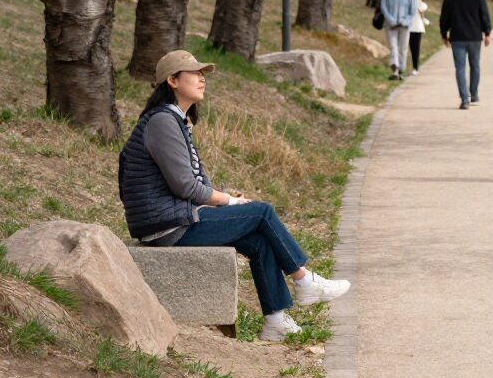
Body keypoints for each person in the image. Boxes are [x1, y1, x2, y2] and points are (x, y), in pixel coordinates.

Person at [118, 50, 350, 342]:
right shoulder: (163, 121)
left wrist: (225, 198)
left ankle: (275, 321)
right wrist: (229, 202)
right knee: (261, 212)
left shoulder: (177, 121)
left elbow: (197, 180)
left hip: (173, 218)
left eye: (203, 73)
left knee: (257, 240)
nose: (202, 78)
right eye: (194, 73)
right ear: (172, 81)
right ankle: (304, 281)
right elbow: (185, 187)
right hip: (167, 226)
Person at [440, 0, 492, 109]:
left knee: (460, 68)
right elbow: (484, 15)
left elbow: (445, 17)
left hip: (457, 36)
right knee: (475, 66)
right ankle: (474, 94)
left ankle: (464, 99)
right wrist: (487, 33)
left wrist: (444, 34)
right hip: (475, 36)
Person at [376, 0, 416, 78]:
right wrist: (391, 20)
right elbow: (384, 8)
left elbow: (412, 11)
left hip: (404, 26)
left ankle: (401, 68)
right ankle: (395, 70)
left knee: (403, 48)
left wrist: (405, 21)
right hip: (391, 25)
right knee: (393, 47)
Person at [407, 0, 428, 71]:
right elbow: (423, 7)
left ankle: (414, 67)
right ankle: (415, 67)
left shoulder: (411, 1)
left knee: (412, 48)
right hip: (415, 28)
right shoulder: (415, 1)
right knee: (415, 48)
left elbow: (422, 8)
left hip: (411, 28)